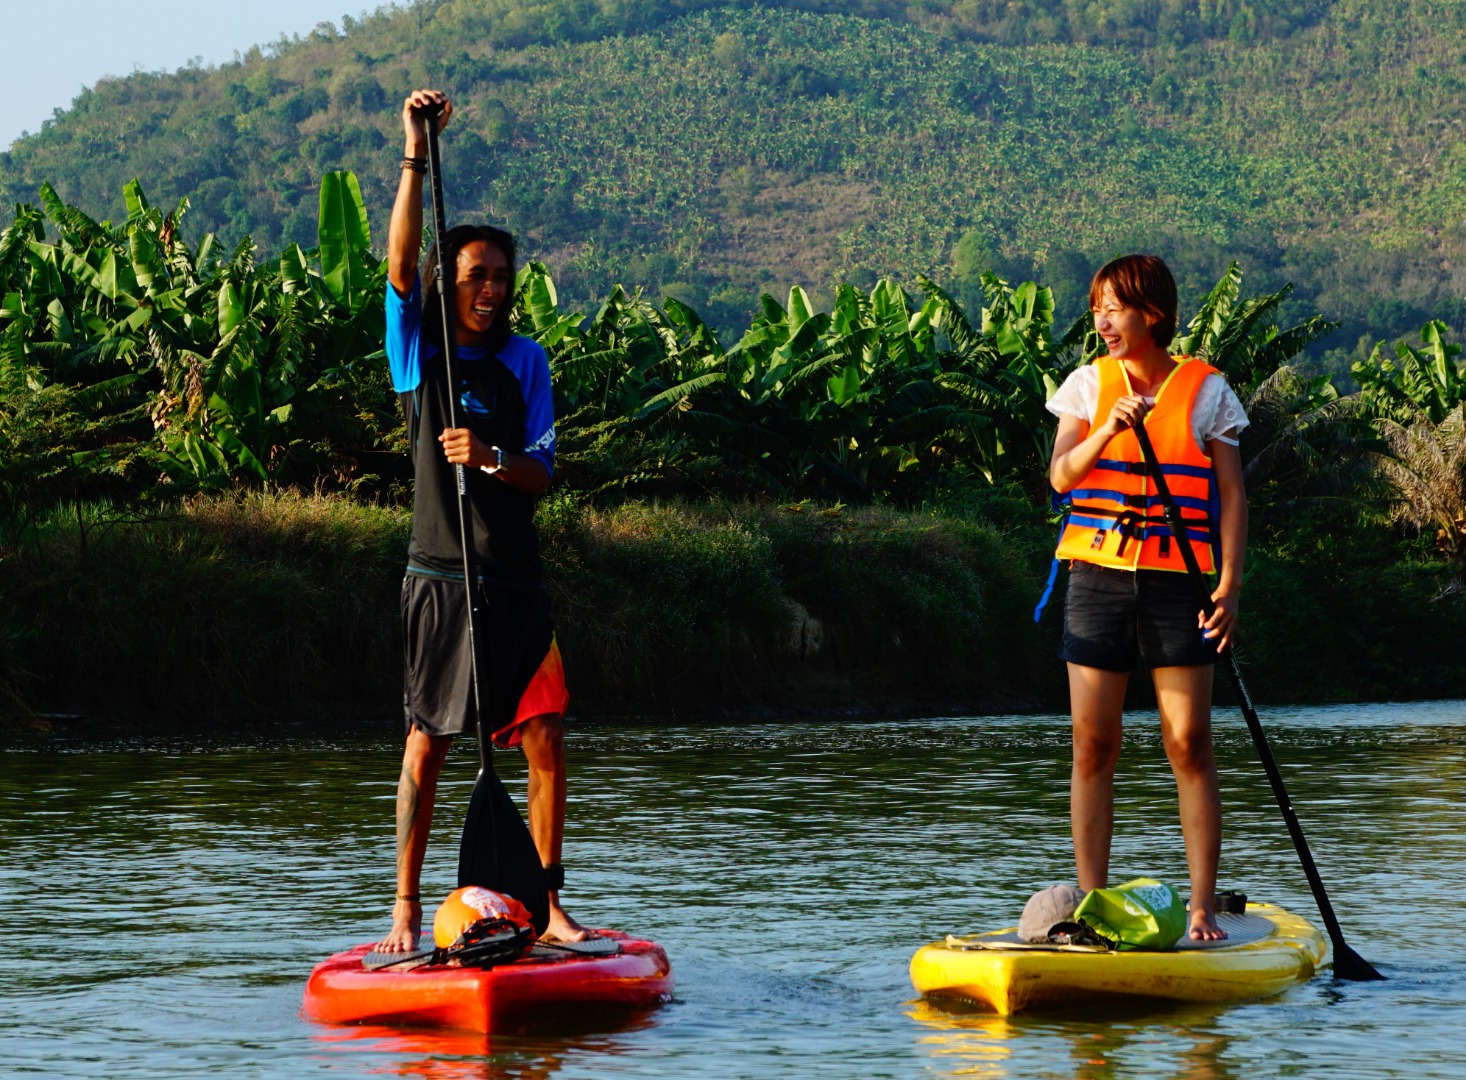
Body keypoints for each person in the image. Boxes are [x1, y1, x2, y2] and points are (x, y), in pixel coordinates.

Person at [376, 88, 590, 952]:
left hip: (514, 580)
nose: (491, 289)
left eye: (502, 276)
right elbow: (399, 264)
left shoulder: (526, 360)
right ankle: (400, 906)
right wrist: (415, 152)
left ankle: (546, 907)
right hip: (437, 576)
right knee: (426, 747)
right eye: (475, 275)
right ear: (451, 281)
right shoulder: (417, 348)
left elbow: (541, 471)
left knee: (543, 739)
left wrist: (492, 459)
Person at [1046, 253, 1248, 941]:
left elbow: (1232, 496)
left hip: (1179, 586)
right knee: (1093, 744)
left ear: (1152, 314)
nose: (1101, 318)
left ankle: (1199, 907)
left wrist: (1228, 585)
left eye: (1114, 306)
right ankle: (1093, 909)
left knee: (1188, 742)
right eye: (1097, 306)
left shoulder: (1206, 390)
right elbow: (1063, 476)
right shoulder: (1085, 386)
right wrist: (1108, 427)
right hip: (1097, 582)